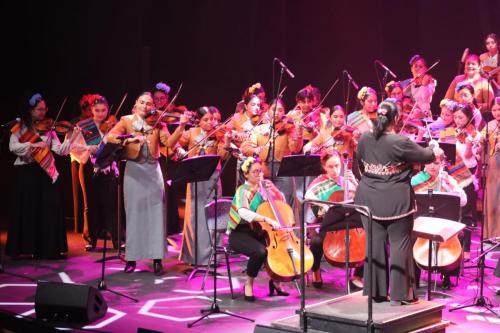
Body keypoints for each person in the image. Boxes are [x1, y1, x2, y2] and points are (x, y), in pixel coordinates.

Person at [354, 99, 436, 305]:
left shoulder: (364, 138)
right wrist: (434, 148)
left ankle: (376, 292)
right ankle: (402, 295)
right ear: (397, 118)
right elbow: (427, 156)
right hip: (396, 200)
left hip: (368, 198)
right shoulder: (400, 141)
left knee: (374, 244)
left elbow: (360, 167)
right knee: (400, 244)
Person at [107, 92, 190, 275]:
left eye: (149, 103)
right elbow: (110, 137)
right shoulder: (126, 120)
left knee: (156, 215)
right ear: (136, 104)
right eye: (142, 102)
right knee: (134, 214)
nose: (146, 106)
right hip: (134, 171)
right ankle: (131, 258)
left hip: (153, 171)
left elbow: (168, 142)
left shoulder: (159, 122)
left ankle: (157, 259)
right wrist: (130, 139)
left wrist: (182, 125)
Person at [7, 93, 80, 259]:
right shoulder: (20, 127)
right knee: (29, 210)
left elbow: (61, 151)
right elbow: (13, 147)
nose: (43, 112)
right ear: (31, 111)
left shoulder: (49, 129)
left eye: (44, 109)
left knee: (49, 209)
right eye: (39, 109)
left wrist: (71, 134)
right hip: (28, 173)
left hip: (46, 173)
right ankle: (28, 247)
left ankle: (48, 248)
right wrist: (33, 144)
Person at [227, 156, 289, 301]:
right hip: (240, 232)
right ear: (246, 174)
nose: (259, 175)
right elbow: (243, 212)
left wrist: (274, 191)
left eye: (260, 171)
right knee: (260, 252)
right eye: (255, 172)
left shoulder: (264, 189)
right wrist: (266, 219)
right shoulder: (243, 190)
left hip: (259, 231)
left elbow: (282, 204)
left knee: (280, 247)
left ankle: (275, 280)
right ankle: (248, 283)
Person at [178, 106, 230, 266]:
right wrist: (179, 149)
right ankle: (194, 256)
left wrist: (226, 141)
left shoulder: (219, 135)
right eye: (206, 120)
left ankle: (213, 256)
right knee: (195, 217)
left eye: (212, 119)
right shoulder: (191, 133)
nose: (210, 123)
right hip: (194, 179)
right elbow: (174, 143)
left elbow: (223, 155)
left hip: (213, 178)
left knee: (213, 215)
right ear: (199, 121)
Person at [304, 152, 364, 289]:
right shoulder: (317, 184)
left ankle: (358, 275)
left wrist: (355, 183)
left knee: (371, 239)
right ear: (324, 167)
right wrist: (329, 208)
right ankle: (316, 269)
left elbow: (364, 200)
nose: (334, 170)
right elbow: (314, 208)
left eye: (337, 166)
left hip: (350, 223)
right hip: (329, 225)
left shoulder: (346, 181)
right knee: (317, 241)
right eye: (330, 166)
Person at [411, 149, 467, 289]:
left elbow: (463, 201)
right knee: (410, 236)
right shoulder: (415, 180)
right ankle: (414, 278)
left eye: (436, 163)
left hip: (443, 224)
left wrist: (451, 187)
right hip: (422, 224)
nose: (432, 166)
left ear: (442, 163)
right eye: (429, 163)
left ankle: (447, 276)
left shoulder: (447, 179)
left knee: (457, 234)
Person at [71, 95, 120, 251]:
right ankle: (91, 239)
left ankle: (117, 240)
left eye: (103, 110)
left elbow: (118, 146)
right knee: (91, 205)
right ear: (91, 111)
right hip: (88, 168)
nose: (100, 113)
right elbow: (72, 147)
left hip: (107, 167)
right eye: (97, 110)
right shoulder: (84, 126)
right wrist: (88, 149)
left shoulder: (112, 125)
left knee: (111, 205)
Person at [241, 98, 303, 207]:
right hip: (263, 171)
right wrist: (255, 150)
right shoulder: (259, 129)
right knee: (265, 205)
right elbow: (245, 147)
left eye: (280, 110)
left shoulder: (288, 129)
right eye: (274, 109)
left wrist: (299, 131)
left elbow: (295, 148)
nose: (277, 113)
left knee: (285, 203)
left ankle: (285, 224)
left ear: (284, 112)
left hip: (284, 171)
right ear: (268, 111)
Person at [481, 97, 500, 240]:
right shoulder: (490, 125)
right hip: (493, 167)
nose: (497, 113)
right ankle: (491, 235)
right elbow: (481, 143)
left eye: (499, 109)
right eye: (494, 110)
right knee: (492, 199)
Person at [400, 55, 436, 120]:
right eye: (415, 66)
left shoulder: (430, 82)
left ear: (426, 69)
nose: (417, 69)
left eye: (421, 67)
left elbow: (425, 97)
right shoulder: (407, 82)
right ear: (411, 69)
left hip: (423, 117)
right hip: (408, 116)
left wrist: (424, 85)